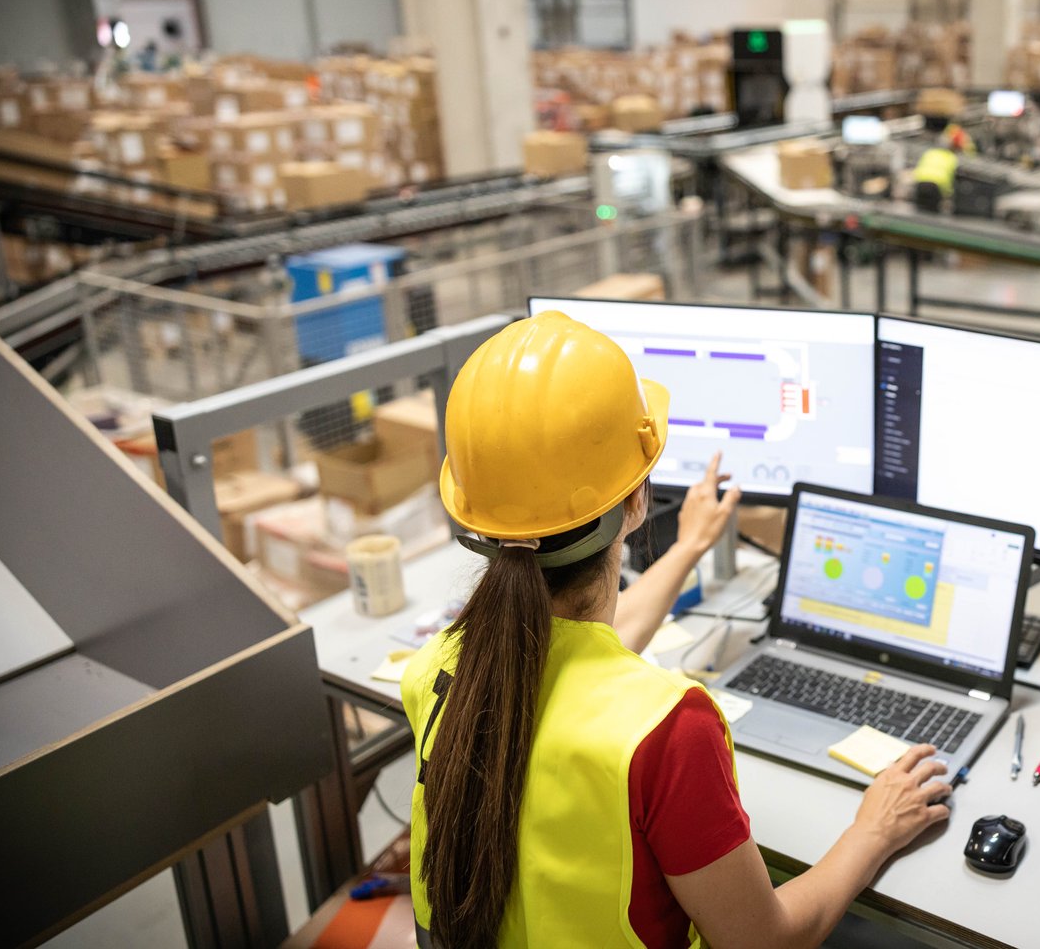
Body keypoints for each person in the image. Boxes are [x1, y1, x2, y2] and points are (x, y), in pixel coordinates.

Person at [402, 313, 952, 948]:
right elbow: (764, 942)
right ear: (638, 502)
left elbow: (579, 657)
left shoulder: (440, 669)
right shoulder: (670, 732)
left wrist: (690, 546)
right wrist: (873, 831)